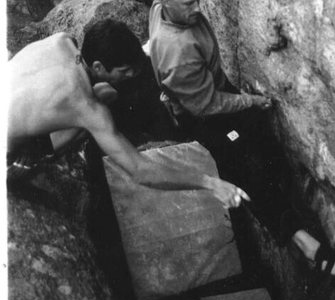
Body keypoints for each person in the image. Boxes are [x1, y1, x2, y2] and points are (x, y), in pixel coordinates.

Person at [148, 0, 335, 277]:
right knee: (249, 170)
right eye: (189, 5)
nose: (196, 8)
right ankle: (308, 247)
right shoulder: (177, 52)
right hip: (202, 116)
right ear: (167, 5)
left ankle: (298, 221)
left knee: (262, 151)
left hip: (212, 92)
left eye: (196, 1)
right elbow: (209, 105)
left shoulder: (166, 5)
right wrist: (253, 101)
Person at [7, 19, 249, 210]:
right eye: (125, 71)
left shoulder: (62, 41)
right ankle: (44, 157)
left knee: (104, 94)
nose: (132, 75)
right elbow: (141, 171)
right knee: (97, 112)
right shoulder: (85, 107)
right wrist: (210, 183)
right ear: (99, 66)